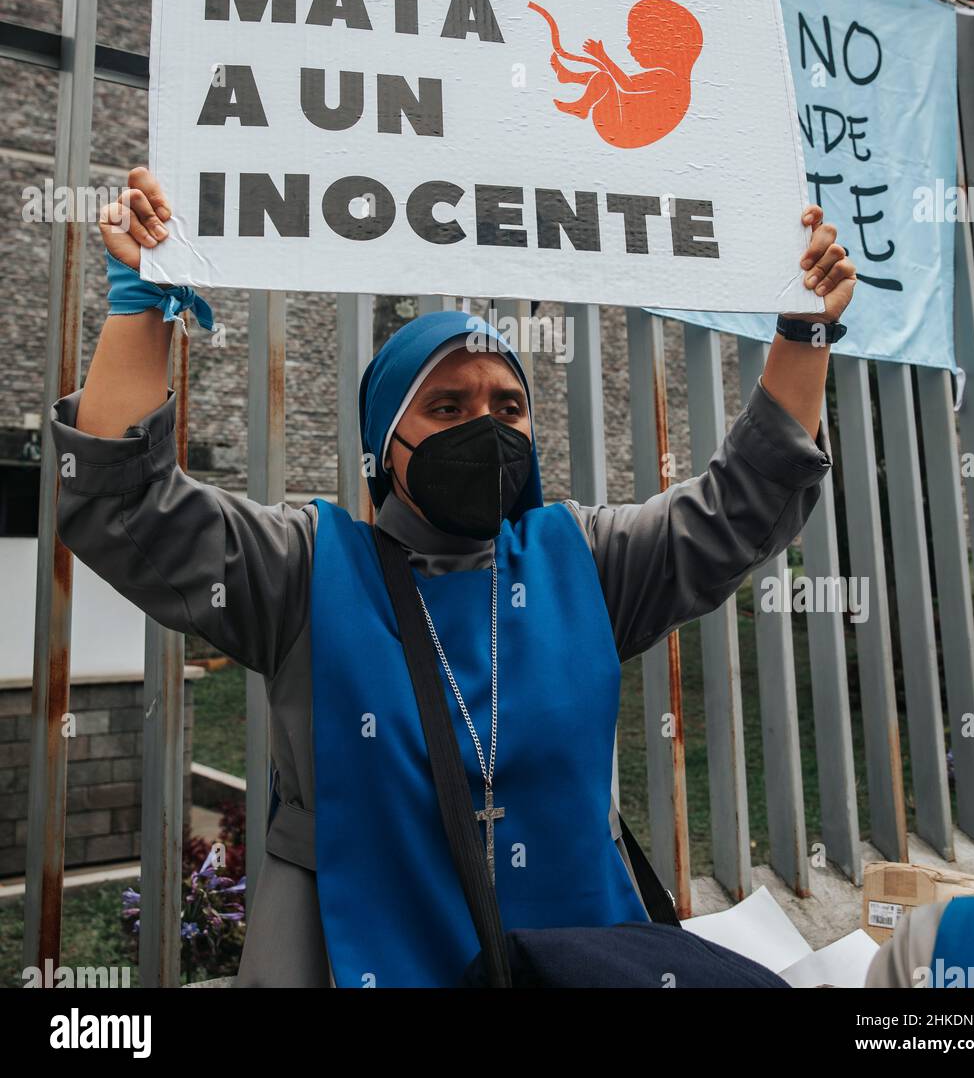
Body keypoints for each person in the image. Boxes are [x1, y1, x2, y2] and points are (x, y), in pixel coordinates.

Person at [50, 166, 857, 988]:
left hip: (577, 958)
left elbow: (739, 506)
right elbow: (131, 507)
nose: (486, 426)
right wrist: (138, 303)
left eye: (508, 408)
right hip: (352, 957)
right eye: (446, 407)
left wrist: (804, 335)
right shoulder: (306, 570)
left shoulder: (583, 561)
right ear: (383, 445)